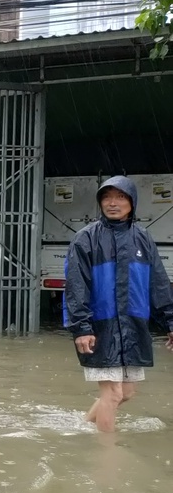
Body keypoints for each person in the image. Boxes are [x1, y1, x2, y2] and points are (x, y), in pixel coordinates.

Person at [64, 175, 173, 433]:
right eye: (107, 197)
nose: (113, 203)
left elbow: (158, 283)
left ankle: (82, 428)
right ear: (100, 202)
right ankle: (107, 458)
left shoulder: (143, 239)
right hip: (100, 328)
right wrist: (81, 328)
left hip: (133, 329)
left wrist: (170, 321)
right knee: (112, 394)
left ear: (132, 202)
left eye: (120, 197)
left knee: (126, 393)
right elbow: (76, 285)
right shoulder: (85, 239)